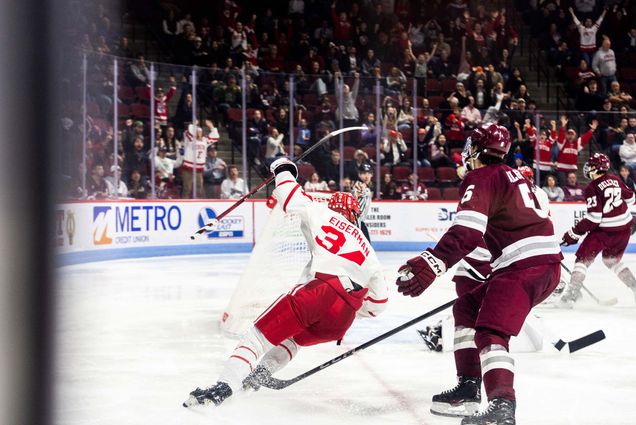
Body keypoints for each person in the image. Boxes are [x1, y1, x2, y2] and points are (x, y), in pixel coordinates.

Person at [184, 158, 388, 407]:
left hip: (318, 292)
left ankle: (222, 387)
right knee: (294, 339)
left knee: (257, 339)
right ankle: (260, 374)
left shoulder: (321, 210)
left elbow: (290, 196)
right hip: (342, 319)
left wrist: (283, 168)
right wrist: (353, 305)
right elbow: (378, 303)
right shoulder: (368, 248)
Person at [396, 124, 562, 423]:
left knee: (491, 331)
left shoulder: (481, 176)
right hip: (537, 264)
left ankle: (502, 407)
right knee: (466, 307)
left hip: (524, 267)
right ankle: (469, 388)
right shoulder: (516, 176)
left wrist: (433, 261)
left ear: (477, 149)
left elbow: (468, 231)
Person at [560, 153, 636, 306]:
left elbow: (594, 218)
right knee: (612, 261)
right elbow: (631, 198)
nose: (587, 168)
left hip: (604, 232)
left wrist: (573, 233)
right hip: (624, 229)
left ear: (596, 169)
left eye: (591, 165)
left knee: (582, 260)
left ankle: (572, 294)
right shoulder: (615, 179)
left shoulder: (592, 187)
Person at [351, 163, 373, 240]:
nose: (366, 176)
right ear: (359, 174)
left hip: (358, 221)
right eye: (363, 173)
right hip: (355, 221)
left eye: (369, 173)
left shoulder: (365, 186)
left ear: (372, 174)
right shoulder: (359, 185)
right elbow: (358, 194)